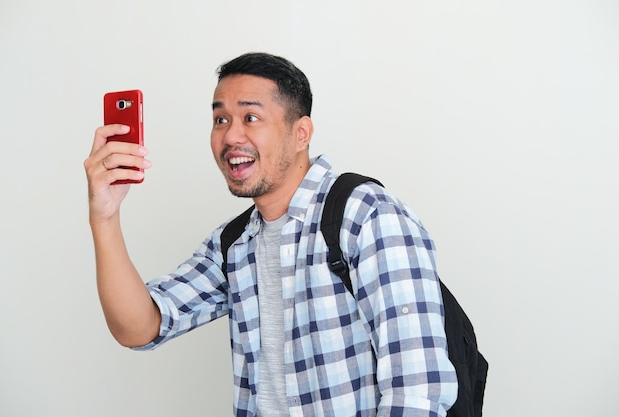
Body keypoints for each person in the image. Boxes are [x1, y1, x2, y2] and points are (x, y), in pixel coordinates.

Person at [84, 52, 458, 416]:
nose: (231, 136)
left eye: (250, 117)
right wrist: (105, 215)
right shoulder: (235, 242)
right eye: (220, 120)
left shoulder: (365, 214)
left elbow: (417, 390)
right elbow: (141, 326)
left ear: (301, 133)